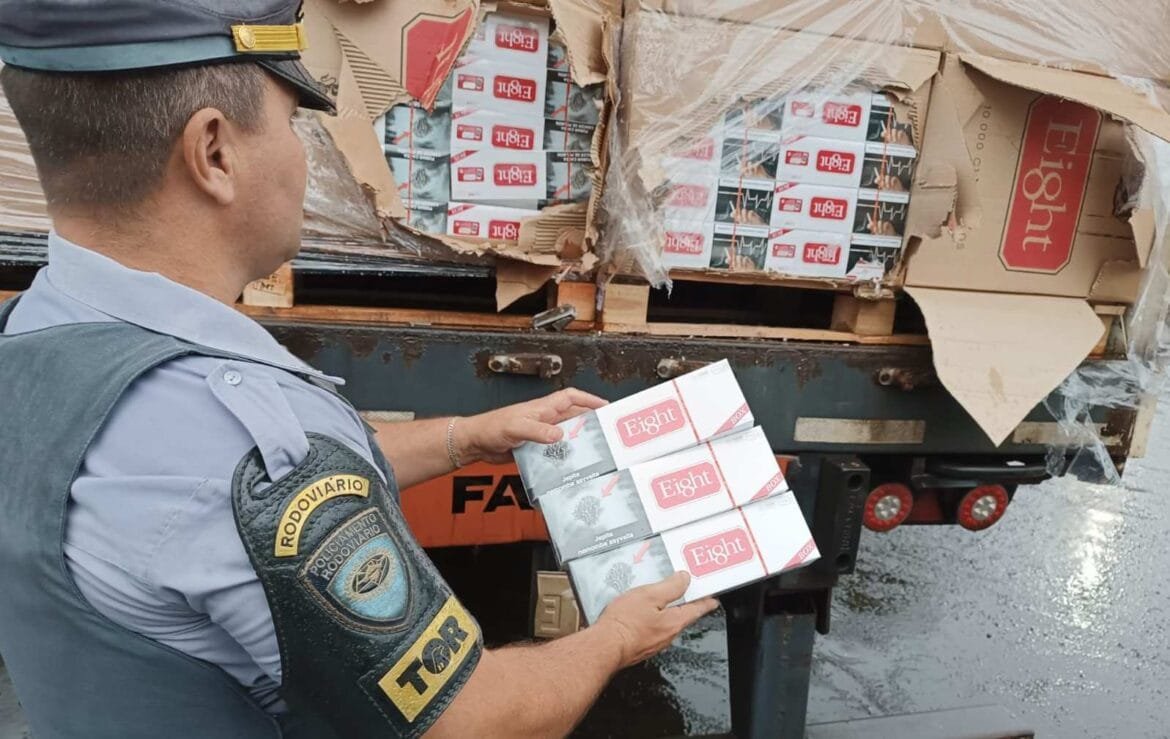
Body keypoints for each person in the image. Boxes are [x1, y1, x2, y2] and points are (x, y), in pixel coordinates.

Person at [0, 1, 717, 737]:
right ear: (214, 153)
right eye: (293, 123)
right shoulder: (245, 441)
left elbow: (231, 503)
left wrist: (466, 438)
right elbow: (467, 722)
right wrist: (612, 638)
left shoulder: (37, 330)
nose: (303, 156)